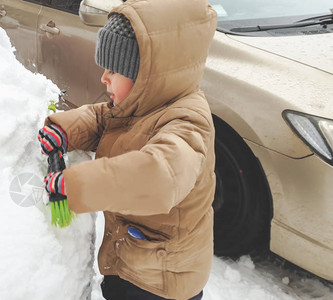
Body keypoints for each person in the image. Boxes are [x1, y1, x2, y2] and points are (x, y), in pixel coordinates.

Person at [38, 0, 217, 299]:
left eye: (114, 70)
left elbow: (161, 176)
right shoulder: (139, 104)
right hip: (131, 261)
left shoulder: (188, 121)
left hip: (161, 282)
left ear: (147, 75)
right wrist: (64, 129)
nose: (103, 77)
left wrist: (80, 183)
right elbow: (101, 118)